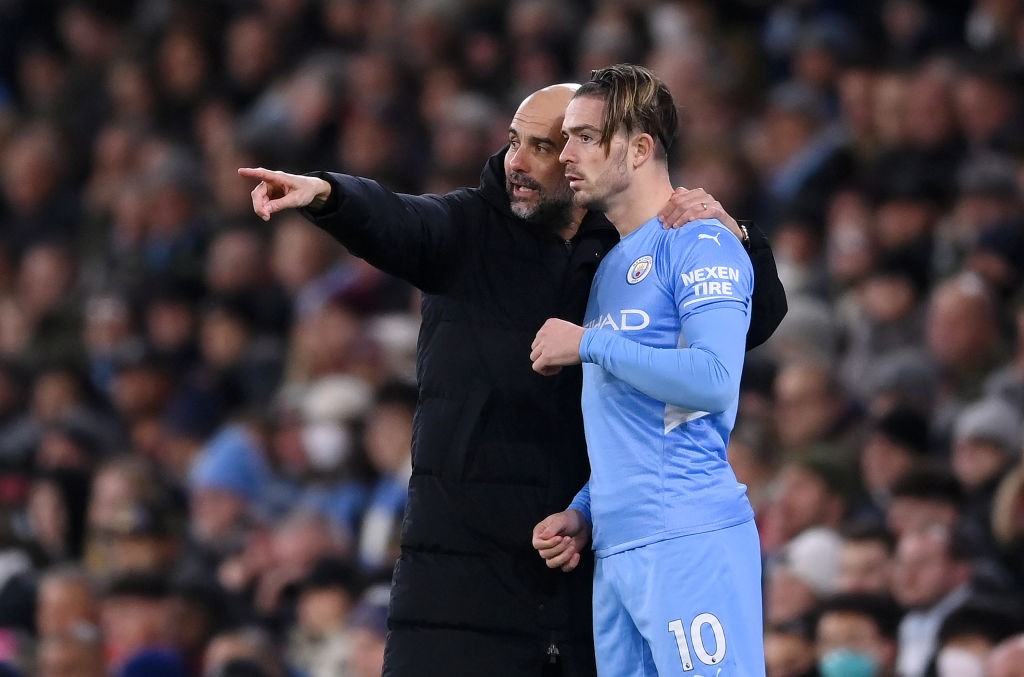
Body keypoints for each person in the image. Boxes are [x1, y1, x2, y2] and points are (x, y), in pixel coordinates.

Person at [239, 80, 787, 676]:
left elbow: (735, 336)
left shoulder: (630, 250)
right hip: (460, 583)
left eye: (550, 146)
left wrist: (737, 239)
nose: (516, 163)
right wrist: (327, 194)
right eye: (513, 142)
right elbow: (397, 221)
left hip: (589, 567)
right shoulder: (467, 229)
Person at [530, 65, 764, 675]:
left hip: (689, 539)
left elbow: (713, 380)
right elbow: (638, 422)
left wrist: (591, 344)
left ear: (639, 148)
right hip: (618, 552)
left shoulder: (702, 242)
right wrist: (586, 509)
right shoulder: (610, 269)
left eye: (584, 136)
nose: (566, 153)